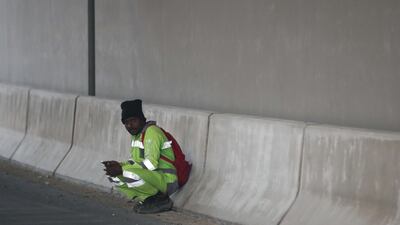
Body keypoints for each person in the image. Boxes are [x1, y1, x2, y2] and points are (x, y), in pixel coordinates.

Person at [102, 99, 179, 214]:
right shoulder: (137, 136)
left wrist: (122, 169)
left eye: (133, 121)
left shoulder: (152, 132)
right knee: (114, 176)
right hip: (155, 178)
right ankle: (149, 199)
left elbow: (151, 164)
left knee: (125, 172)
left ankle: (160, 199)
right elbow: (135, 162)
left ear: (142, 119)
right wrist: (119, 165)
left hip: (167, 181)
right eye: (126, 123)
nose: (130, 125)